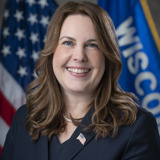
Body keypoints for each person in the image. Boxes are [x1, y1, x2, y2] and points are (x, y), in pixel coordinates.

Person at [1, 1, 160, 160]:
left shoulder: (136, 127)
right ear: (52, 53)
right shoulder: (25, 118)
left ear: (107, 57)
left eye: (92, 45)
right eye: (68, 43)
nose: (79, 56)